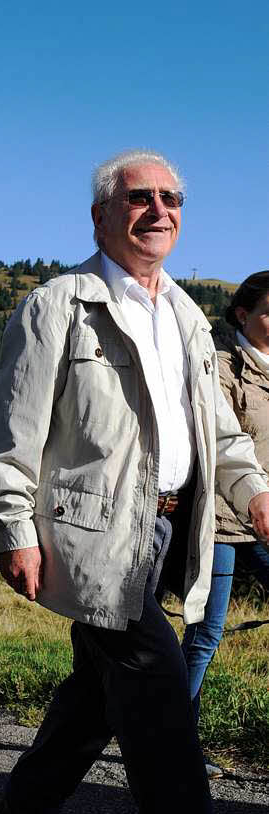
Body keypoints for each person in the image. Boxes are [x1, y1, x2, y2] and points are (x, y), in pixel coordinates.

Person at [0, 149, 269, 814]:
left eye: (171, 197)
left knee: (96, 693)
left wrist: (256, 494)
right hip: (94, 530)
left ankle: (24, 808)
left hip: (176, 523)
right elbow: (14, 431)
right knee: (156, 682)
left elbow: (215, 426)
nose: (159, 209)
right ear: (102, 216)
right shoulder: (59, 305)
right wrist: (14, 526)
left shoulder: (181, 311)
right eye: (139, 197)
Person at [182, 271, 269, 777]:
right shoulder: (220, 365)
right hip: (220, 516)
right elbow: (222, 437)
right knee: (206, 632)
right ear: (242, 315)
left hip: (263, 514)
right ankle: (177, 742)